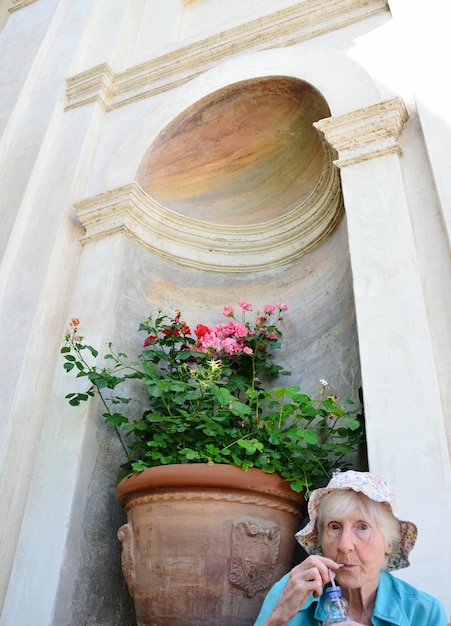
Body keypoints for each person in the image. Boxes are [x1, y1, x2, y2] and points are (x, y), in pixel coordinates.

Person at [254, 470, 448, 625]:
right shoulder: (292, 590)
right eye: (334, 527)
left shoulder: (424, 613)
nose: (345, 546)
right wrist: (278, 618)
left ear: (389, 543)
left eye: (362, 527)